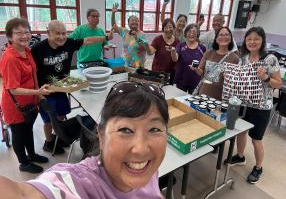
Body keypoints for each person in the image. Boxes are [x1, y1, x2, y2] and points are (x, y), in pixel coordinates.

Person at [0, 82, 168, 198]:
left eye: (154, 129)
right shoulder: (80, 184)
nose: (141, 149)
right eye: (125, 130)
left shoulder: (148, 168)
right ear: (101, 136)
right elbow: (22, 194)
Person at [31, 20, 113, 154]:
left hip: (63, 88)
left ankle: (59, 136)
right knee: (48, 120)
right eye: (57, 33)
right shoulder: (38, 49)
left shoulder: (68, 43)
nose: (62, 37)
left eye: (64, 33)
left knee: (61, 115)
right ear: (48, 33)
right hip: (45, 90)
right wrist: (37, 93)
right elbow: (32, 73)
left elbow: (87, 40)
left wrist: (106, 37)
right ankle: (49, 142)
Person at [226, 27, 282, 184]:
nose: (252, 42)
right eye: (249, 39)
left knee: (256, 139)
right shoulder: (243, 58)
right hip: (244, 104)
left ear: (262, 41)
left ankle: (258, 167)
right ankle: (240, 156)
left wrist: (265, 77)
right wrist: (229, 76)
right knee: (241, 133)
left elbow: (279, 84)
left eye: (256, 39)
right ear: (245, 41)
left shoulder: (270, 59)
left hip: (261, 107)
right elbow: (240, 79)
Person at [0, 18, 52, 174]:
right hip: (15, 105)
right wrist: (38, 92)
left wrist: (38, 95)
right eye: (18, 33)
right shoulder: (10, 58)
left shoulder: (27, 50)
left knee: (28, 129)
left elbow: (33, 75)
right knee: (18, 134)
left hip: (30, 101)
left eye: (27, 32)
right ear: (9, 37)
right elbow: (13, 88)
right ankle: (23, 163)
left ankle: (32, 155)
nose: (24, 36)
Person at [191, 27, 239, 100]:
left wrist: (229, 77)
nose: (224, 37)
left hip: (221, 98)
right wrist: (196, 69)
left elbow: (235, 83)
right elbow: (200, 72)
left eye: (226, 35)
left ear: (231, 38)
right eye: (221, 35)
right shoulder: (208, 53)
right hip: (203, 93)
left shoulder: (235, 59)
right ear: (216, 39)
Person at [171, 23, 206, 94]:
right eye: (189, 32)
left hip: (195, 81)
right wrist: (173, 51)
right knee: (180, 100)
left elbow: (203, 66)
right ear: (186, 33)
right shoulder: (181, 45)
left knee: (192, 102)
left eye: (194, 32)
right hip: (181, 79)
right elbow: (175, 59)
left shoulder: (202, 48)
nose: (191, 34)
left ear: (197, 34)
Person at [111, 3, 148, 68]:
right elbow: (114, 26)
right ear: (128, 23)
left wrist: (137, 38)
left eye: (136, 21)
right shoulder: (124, 32)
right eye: (132, 20)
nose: (134, 22)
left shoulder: (142, 34)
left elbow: (145, 48)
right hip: (126, 64)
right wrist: (113, 13)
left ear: (138, 23)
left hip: (138, 65)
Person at [146, 18, 179, 84]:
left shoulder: (177, 42)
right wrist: (146, 44)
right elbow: (150, 52)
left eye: (170, 27)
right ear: (163, 29)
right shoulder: (158, 39)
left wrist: (173, 51)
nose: (168, 29)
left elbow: (175, 59)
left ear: (174, 28)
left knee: (169, 92)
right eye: (166, 27)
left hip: (171, 73)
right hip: (157, 73)